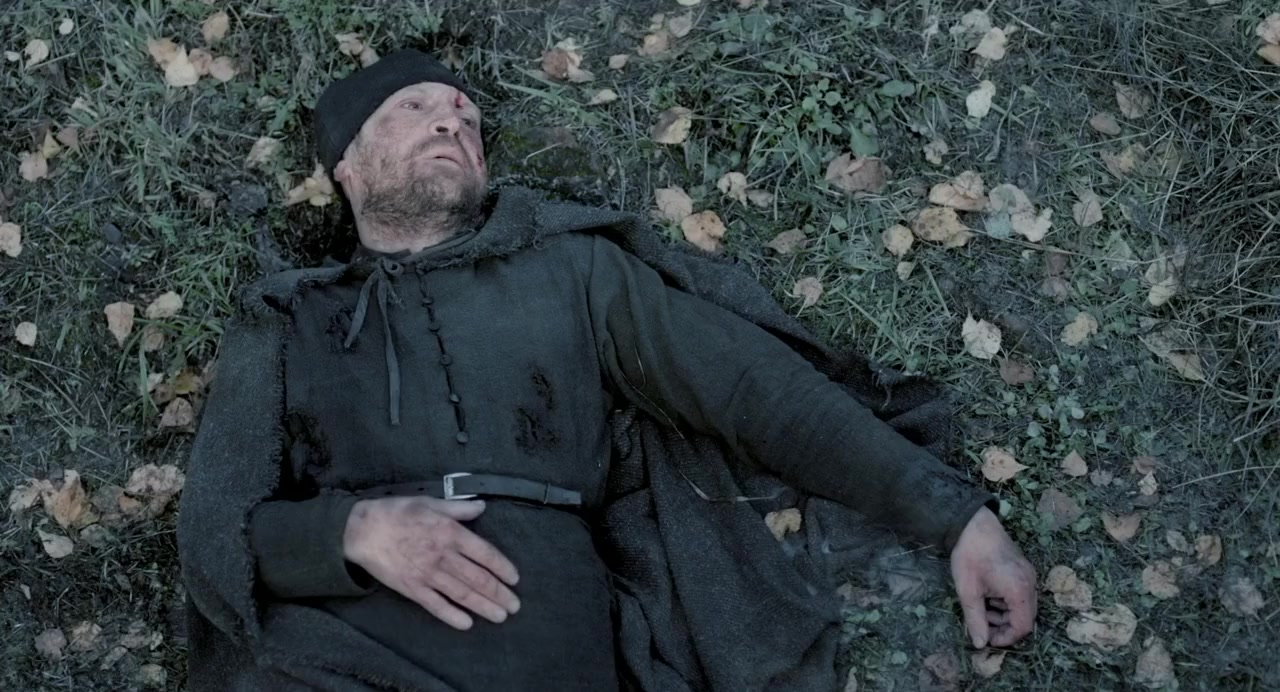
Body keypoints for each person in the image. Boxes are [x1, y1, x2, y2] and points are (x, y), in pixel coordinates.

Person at [177, 50, 1036, 691]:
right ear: (348, 164)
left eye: (467, 117)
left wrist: (958, 519)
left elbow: (754, 389)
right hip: (328, 652)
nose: (453, 123)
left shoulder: (570, 270)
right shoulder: (288, 317)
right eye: (415, 107)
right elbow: (218, 536)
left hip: (538, 640)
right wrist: (352, 533)